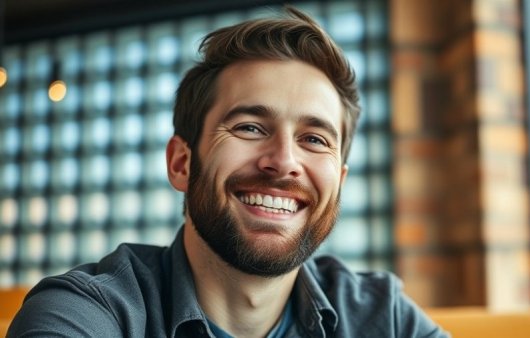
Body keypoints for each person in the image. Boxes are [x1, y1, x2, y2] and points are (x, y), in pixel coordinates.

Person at [9, 7, 448, 338]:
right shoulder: (88, 311)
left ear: (340, 183)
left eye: (314, 139)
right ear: (182, 163)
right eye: (250, 127)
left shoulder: (381, 317)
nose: (283, 161)